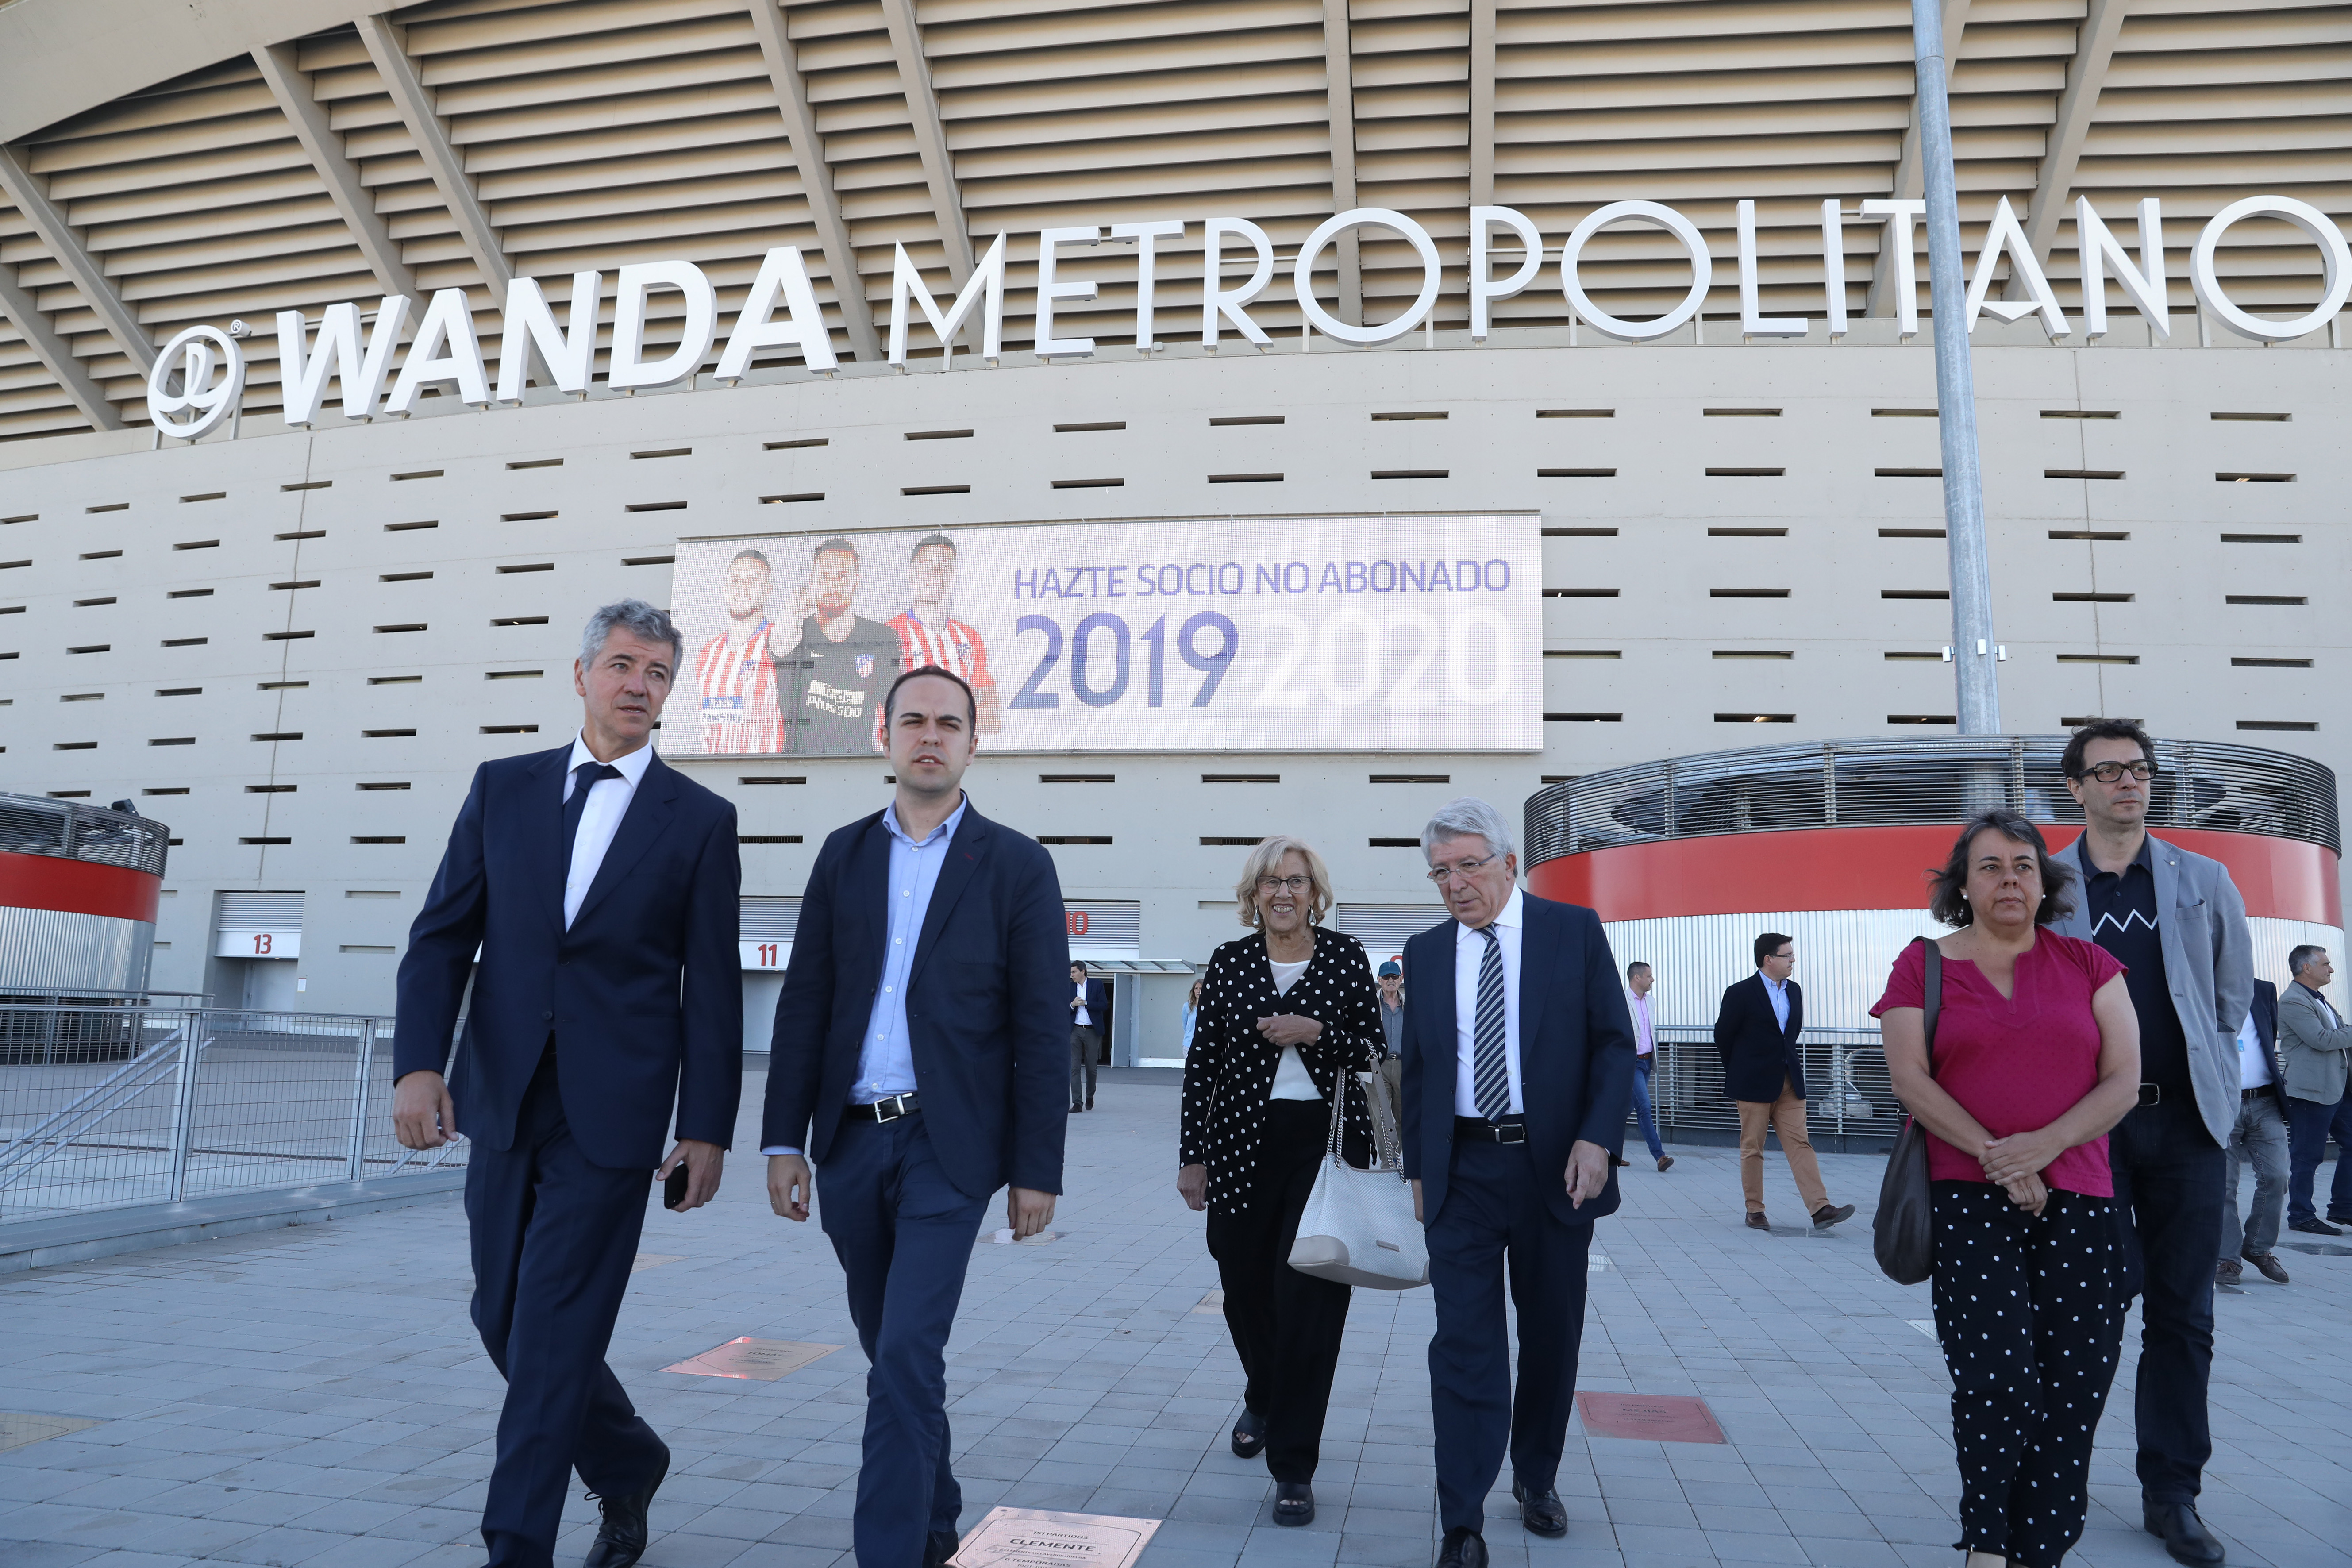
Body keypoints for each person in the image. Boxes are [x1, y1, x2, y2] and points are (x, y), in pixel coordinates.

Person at [391, 600, 742, 1568]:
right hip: (499, 1095)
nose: (638, 684)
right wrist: (419, 1063)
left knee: (552, 1328)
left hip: (614, 1112)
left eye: (658, 672)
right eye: (623, 664)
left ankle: (516, 1548)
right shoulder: (502, 789)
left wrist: (704, 1123)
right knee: (499, 1314)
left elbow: (711, 985)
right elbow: (440, 937)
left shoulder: (701, 820)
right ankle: (627, 1457)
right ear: (580, 674)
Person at [761, 664, 1068, 1568]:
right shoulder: (842, 854)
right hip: (851, 1143)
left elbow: (1041, 1028)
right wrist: (783, 1139)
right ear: (884, 736)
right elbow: (803, 1002)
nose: (929, 734)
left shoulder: (1016, 864)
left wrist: (1035, 1168)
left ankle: (890, 1551)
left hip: (950, 1146)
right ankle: (935, 1509)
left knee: (903, 1348)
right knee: (888, 1350)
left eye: (948, 722)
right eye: (912, 721)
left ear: (974, 742)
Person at [1872, 810, 2140, 1568]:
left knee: (2075, 1386)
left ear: (2045, 880)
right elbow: (1908, 1079)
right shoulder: (1921, 964)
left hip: (2083, 1198)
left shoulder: (2091, 964)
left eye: (2023, 865)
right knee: (1997, 1378)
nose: (2009, 879)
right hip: (1967, 1199)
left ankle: (2040, 1548)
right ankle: (1987, 1543)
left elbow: (2123, 1079)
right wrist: (2004, 1160)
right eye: (1989, 866)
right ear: (1963, 882)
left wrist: (2047, 1147)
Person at [1398, 797, 1636, 1568]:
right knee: (1463, 1343)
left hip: (1555, 1168)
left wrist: (1599, 1136)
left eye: (1469, 865)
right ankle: (1461, 1518)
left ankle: (1536, 1474)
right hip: (1461, 1171)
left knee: (1550, 1335)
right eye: (1441, 871)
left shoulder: (1573, 931)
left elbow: (1612, 1043)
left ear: (1507, 862)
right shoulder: (1427, 951)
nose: (1455, 883)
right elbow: (1421, 1072)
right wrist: (1416, 1169)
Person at [2041, 718, 2250, 1567]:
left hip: (2190, 1128)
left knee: (2184, 1316)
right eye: (2110, 771)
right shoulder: (2047, 882)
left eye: (2140, 769)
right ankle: (2052, 1477)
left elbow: (2228, 1001)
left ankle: (2174, 1492)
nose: (2129, 782)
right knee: (2086, 1311)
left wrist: (2212, 1089)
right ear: (2077, 788)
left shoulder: (2204, 878)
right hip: (2091, 1129)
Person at [1176, 836, 1379, 1528]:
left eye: (1295, 880)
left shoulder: (1346, 956)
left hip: (1322, 1152)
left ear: (1314, 892)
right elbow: (1201, 1064)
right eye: (1270, 882)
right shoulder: (1231, 961)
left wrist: (1314, 1029)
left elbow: (1375, 1053)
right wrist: (1191, 1155)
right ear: (1253, 894)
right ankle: (1262, 1389)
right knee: (1243, 1290)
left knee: (1310, 1307)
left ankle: (1293, 1464)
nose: (1283, 892)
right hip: (1238, 1147)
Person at [1715, 934, 1853, 1231]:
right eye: (1787, 955)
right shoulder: (1740, 993)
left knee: (1800, 1144)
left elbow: (1789, 1035)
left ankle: (1821, 1208)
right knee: (1752, 1147)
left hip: (1789, 1082)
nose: (1793, 960)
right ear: (1768, 959)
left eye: (1792, 955)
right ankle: (1754, 1210)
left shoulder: (1794, 991)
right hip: (1753, 1085)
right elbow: (1723, 1036)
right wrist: (1740, 1070)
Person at [769, 535, 901, 755]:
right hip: (797, 768)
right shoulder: (793, 630)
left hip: (857, 766)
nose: (832, 585)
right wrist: (791, 612)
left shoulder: (882, 637)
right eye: (825, 576)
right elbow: (779, 647)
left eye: (842, 576)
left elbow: (895, 707)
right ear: (812, 581)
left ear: (856, 581)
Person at [887, 532, 1003, 733]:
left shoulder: (969, 636)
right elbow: (885, 717)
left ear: (955, 575)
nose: (936, 574)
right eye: (926, 565)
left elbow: (992, 720)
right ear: (911, 574)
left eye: (945, 566)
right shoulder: (889, 634)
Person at [2218, 978, 2288, 1284]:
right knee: (2223, 1185)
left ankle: (2257, 1247)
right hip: (2221, 1101)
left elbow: (2268, 1035)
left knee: (2277, 1175)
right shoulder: (2197, 984)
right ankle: (2227, 1259)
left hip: (2264, 1100)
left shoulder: (2263, 989)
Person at [2279, 945, 2352, 1233]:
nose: (2331, 969)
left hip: (2336, 1088)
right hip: (2310, 1091)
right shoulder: (2292, 1001)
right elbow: (2321, 1038)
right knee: (2306, 1155)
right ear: (2306, 968)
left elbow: (2339, 1032)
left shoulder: (2319, 999)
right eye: (2325, 964)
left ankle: (2343, 1208)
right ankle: (2300, 1215)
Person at [692, 547, 784, 753]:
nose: (742, 588)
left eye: (753, 580)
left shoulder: (781, 645)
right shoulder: (709, 653)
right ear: (725, 590)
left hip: (764, 775)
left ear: (768, 590)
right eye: (735, 580)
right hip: (713, 774)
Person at [1625, 962, 1671, 1171]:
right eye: (1649, 976)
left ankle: (1610, 1152)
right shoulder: (1622, 1001)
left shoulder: (1651, 1001)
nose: (1652, 979)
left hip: (1647, 1061)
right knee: (1644, 1107)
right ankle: (1660, 1156)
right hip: (1631, 1063)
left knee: (1626, 1109)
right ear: (1637, 978)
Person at [1070, 960, 1109, 1111]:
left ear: (1083, 972)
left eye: (1074, 972)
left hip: (1092, 1031)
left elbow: (1104, 1005)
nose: (1072, 975)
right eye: (1071, 972)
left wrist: (1086, 1003)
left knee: (1091, 1068)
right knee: (1074, 1068)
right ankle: (1077, 1103)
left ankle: (1090, 1094)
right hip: (1075, 1030)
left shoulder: (1097, 984)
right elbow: (1061, 1006)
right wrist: (1073, 1004)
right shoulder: (1069, 987)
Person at [1376, 959, 1408, 1122]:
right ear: (1379, 979)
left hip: (1405, 1066)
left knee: (1405, 1118)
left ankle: (1402, 1149)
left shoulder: (1410, 1005)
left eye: (1395, 977)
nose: (1391, 980)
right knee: (1380, 1119)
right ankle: (1383, 1150)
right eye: (1386, 976)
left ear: (1401, 979)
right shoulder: (1371, 1005)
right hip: (1379, 1066)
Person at [1181, 976, 1203, 1056]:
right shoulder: (1187, 1006)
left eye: (1201, 988)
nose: (1198, 991)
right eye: (1196, 988)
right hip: (1189, 1044)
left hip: (1204, 1044)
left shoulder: (1209, 1008)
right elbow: (1185, 1025)